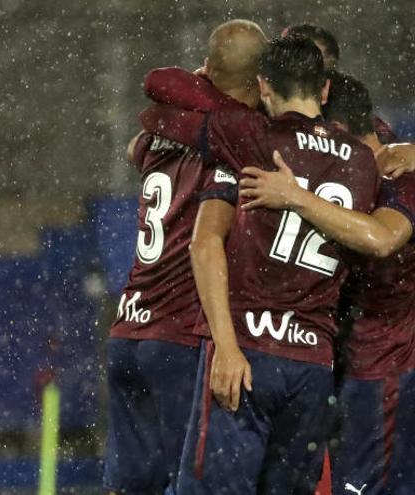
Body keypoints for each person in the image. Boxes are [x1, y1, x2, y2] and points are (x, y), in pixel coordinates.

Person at [141, 36, 381, 493]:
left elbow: (158, 110)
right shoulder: (364, 162)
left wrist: (226, 348)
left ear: (264, 86)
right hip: (312, 364)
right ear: (324, 90)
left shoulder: (249, 136)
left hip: (247, 352)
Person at [103, 20, 266, 495]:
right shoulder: (239, 136)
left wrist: (194, 90)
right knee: (187, 482)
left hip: (128, 325)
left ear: (208, 68)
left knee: (127, 484)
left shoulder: (162, 127)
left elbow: (139, 140)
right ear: (261, 81)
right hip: (179, 334)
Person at [238, 72, 415, 494]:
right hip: (333, 368)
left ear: (336, 133)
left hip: (384, 371)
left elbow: (381, 238)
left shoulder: (401, 179)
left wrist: (296, 196)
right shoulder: (362, 168)